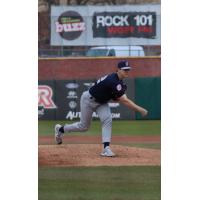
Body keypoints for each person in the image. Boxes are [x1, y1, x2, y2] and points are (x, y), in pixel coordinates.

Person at [55, 60, 148, 157]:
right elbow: (124, 101)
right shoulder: (113, 81)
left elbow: (117, 99)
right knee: (83, 126)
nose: (127, 71)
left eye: (128, 69)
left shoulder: (119, 82)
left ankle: (106, 148)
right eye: (124, 69)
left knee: (107, 120)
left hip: (101, 102)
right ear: (118, 70)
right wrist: (140, 109)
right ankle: (61, 129)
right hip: (89, 100)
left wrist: (117, 98)